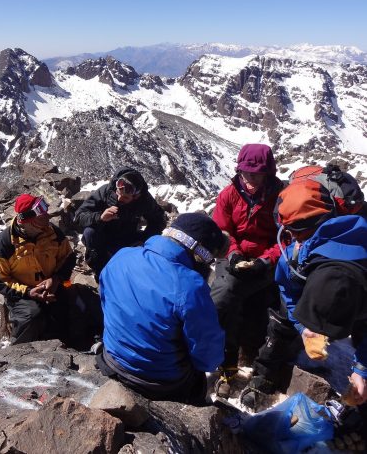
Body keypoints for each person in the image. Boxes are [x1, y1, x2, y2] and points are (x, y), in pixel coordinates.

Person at [240, 178, 367, 408]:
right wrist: (303, 326)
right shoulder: (296, 257)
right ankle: (264, 375)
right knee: (279, 324)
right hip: (315, 285)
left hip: (358, 299)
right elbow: (287, 291)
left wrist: (362, 370)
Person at [97, 213, 229, 404]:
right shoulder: (190, 286)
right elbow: (208, 358)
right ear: (199, 256)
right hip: (157, 382)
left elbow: (105, 300)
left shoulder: (122, 256)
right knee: (197, 377)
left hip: (113, 360)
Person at [210, 143, 283, 397]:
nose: (251, 180)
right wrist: (232, 253)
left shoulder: (280, 197)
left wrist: (266, 260)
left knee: (236, 295)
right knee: (225, 294)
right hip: (234, 257)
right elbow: (223, 231)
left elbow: (285, 237)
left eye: (257, 174)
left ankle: (242, 364)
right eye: (246, 174)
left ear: (268, 173)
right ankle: (225, 362)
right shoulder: (229, 194)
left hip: (267, 261)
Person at [0, 194, 76, 345]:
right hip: (21, 293)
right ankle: (19, 352)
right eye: (41, 216)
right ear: (26, 221)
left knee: (67, 306)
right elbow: (0, 280)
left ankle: (64, 345)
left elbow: (68, 257)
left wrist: (56, 279)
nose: (47, 218)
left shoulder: (53, 233)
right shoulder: (5, 243)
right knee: (31, 315)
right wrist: (28, 292)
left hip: (51, 285)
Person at [74, 167, 166, 277]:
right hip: (102, 237)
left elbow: (159, 219)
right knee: (90, 232)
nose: (119, 198)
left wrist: (144, 239)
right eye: (118, 193)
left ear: (136, 196)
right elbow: (79, 215)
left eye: (126, 198)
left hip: (126, 238)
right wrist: (100, 217)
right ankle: (99, 270)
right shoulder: (106, 192)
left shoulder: (143, 201)